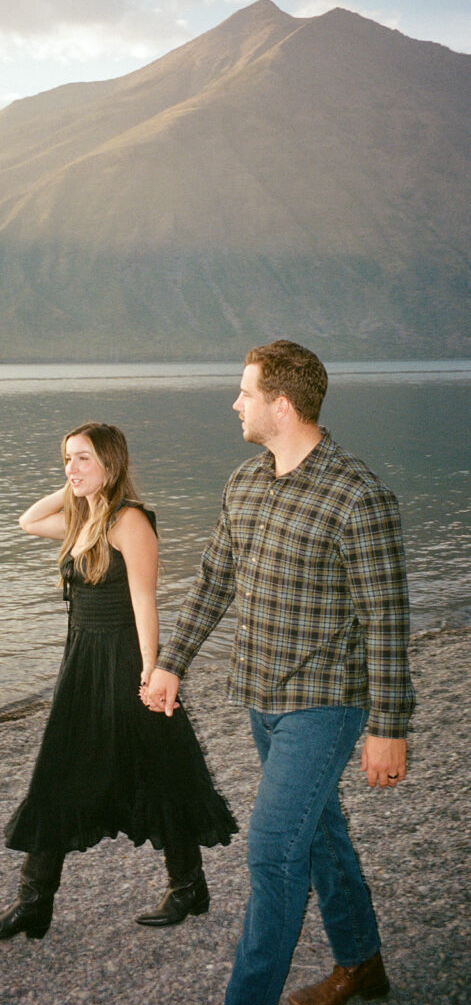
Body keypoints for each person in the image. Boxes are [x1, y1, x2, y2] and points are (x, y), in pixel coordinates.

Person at [144, 341, 415, 1005]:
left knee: (271, 853)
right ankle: (361, 965)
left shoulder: (357, 496)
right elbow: (213, 582)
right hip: (259, 696)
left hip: (325, 704)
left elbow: (386, 620)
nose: (234, 402)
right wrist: (171, 663)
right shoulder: (244, 482)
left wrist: (388, 727)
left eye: (244, 392)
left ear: (281, 405)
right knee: (317, 831)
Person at [0, 421, 237, 942]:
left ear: (111, 464)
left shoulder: (129, 520)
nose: (71, 468)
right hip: (82, 665)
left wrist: (153, 672)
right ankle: (34, 903)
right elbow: (28, 521)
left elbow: (144, 601)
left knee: (159, 769)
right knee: (59, 773)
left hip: (123, 663)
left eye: (84, 458)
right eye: (67, 458)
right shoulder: (82, 519)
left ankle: (187, 887)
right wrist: (77, 485)